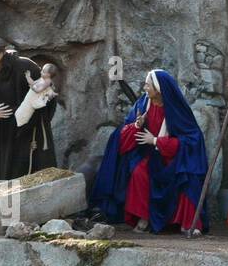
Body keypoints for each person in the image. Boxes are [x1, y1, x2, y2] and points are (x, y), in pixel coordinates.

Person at [90, 70, 209, 234]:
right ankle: (144, 217)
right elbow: (124, 132)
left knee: (187, 176)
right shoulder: (143, 103)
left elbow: (192, 141)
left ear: (159, 89)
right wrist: (137, 126)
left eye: (148, 84)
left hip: (174, 159)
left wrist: (155, 141)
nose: (144, 87)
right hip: (151, 156)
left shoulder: (175, 107)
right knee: (139, 171)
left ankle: (189, 223)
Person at [0, 36, 57, 180]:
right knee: (7, 173)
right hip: (5, 130)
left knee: (33, 170)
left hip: (30, 127)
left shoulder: (25, 66)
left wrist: (32, 109)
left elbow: (46, 89)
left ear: (3, 52)